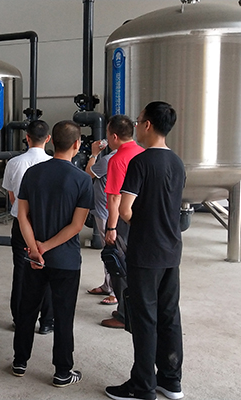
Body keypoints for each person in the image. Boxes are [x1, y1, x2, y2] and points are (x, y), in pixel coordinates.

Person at [104, 101, 185, 400]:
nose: (136, 126)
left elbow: (125, 209)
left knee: (144, 319)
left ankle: (142, 386)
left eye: (138, 121)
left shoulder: (141, 162)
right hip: (171, 250)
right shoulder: (177, 162)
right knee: (169, 315)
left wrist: (139, 224)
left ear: (148, 125)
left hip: (145, 252)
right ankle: (171, 380)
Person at [11, 120, 92, 388]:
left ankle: (20, 362)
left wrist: (35, 249)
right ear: (77, 144)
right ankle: (62, 372)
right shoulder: (82, 180)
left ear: (52, 141)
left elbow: (22, 216)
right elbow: (76, 226)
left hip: (34, 258)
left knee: (27, 309)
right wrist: (46, 246)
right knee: (63, 315)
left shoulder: (32, 174)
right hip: (66, 260)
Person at [1, 120, 54, 334]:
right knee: (47, 270)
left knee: (21, 271)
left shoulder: (14, 163)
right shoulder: (53, 163)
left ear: (27, 137)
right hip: (47, 225)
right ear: (48, 138)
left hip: (21, 224)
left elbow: (12, 196)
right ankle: (47, 321)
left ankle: (21, 319)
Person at [86, 115, 134, 307]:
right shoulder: (139, 153)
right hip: (128, 213)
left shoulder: (111, 159)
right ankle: (109, 285)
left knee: (114, 253)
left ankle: (115, 292)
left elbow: (89, 174)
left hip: (109, 213)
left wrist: (93, 154)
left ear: (114, 136)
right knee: (119, 252)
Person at [100, 114, 143, 329]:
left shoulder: (117, 159)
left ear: (114, 136)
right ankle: (137, 310)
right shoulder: (142, 153)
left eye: (108, 134)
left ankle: (125, 315)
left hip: (123, 221)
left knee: (117, 264)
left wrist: (111, 227)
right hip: (141, 219)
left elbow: (115, 198)